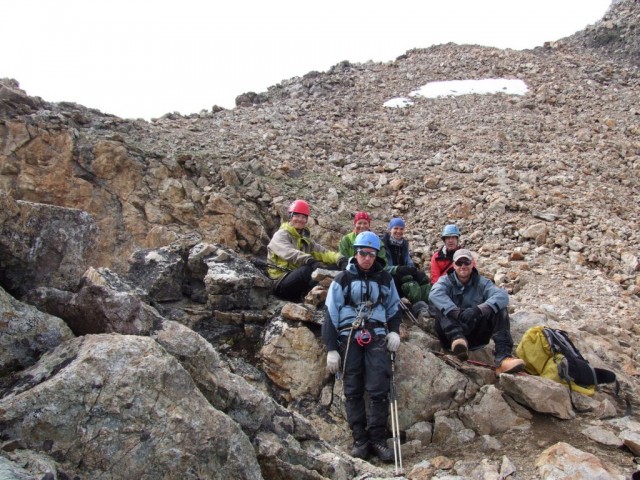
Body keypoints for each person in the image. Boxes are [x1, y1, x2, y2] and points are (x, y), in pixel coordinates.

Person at [322, 231, 401, 462]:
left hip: (376, 335)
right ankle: (360, 440)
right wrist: (331, 348)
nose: (366, 257)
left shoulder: (385, 279)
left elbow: (394, 307)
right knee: (353, 388)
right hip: (348, 335)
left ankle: (377, 440)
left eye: (371, 254)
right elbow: (330, 314)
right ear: (355, 253)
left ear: (377, 255)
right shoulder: (342, 279)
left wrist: (394, 331)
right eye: (362, 253)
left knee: (378, 387)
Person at [428, 249, 525, 374]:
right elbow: (434, 294)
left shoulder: (482, 282)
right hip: (449, 337)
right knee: (440, 307)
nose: (463, 266)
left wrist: (478, 310)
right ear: (453, 265)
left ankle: (503, 358)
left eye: (466, 262)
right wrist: (457, 312)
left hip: (475, 333)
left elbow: (502, 296)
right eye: (459, 262)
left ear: (472, 264)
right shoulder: (445, 281)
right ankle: (458, 342)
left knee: (500, 309)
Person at [267, 200, 347, 301]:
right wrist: (310, 260)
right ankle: (307, 296)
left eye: (304, 217)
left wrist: (341, 259)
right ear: (291, 216)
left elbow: (324, 253)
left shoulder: (306, 240)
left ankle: (315, 295)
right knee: (307, 269)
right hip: (280, 282)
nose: (300, 219)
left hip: (298, 280)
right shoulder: (280, 235)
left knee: (334, 266)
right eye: (297, 215)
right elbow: (290, 253)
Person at [380, 217, 429, 304]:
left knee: (422, 276)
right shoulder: (383, 244)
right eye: (396, 228)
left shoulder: (404, 243)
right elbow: (383, 266)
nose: (398, 231)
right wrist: (397, 269)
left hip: (402, 270)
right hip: (390, 272)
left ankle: (425, 300)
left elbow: (408, 259)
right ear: (390, 229)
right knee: (393, 279)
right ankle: (400, 300)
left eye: (401, 229)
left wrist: (412, 269)